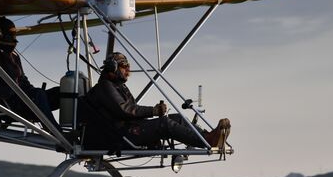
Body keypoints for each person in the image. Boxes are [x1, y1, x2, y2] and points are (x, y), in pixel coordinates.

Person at [84, 52, 231, 149]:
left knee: (178, 118)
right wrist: (153, 111)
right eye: (124, 67)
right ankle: (208, 141)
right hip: (119, 135)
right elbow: (125, 110)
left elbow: (130, 108)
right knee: (164, 123)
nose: (128, 71)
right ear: (113, 68)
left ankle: (208, 136)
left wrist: (150, 114)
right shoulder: (105, 86)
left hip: (127, 129)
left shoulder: (118, 87)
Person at [0, 17, 60, 130]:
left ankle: (80, 129)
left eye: (14, 34)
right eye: (10, 34)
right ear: (1, 33)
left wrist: (32, 92)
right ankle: (55, 130)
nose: (13, 37)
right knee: (38, 95)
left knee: (60, 93)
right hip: (7, 105)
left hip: (23, 100)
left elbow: (22, 79)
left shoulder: (14, 55)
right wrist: (9, 92)